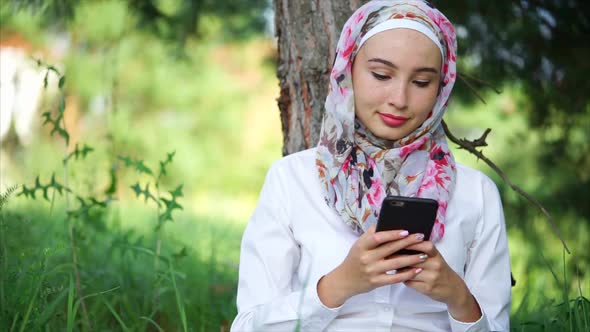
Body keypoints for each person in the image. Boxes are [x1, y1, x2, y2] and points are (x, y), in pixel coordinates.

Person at [230, 1, 511, 331]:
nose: (400, 98)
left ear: (441, 88)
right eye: (381, 75)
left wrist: (458, 297)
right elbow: (248, 326)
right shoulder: (292, 180)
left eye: (421, 82)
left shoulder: (476, 194)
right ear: (347, 70)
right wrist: (338, 286)